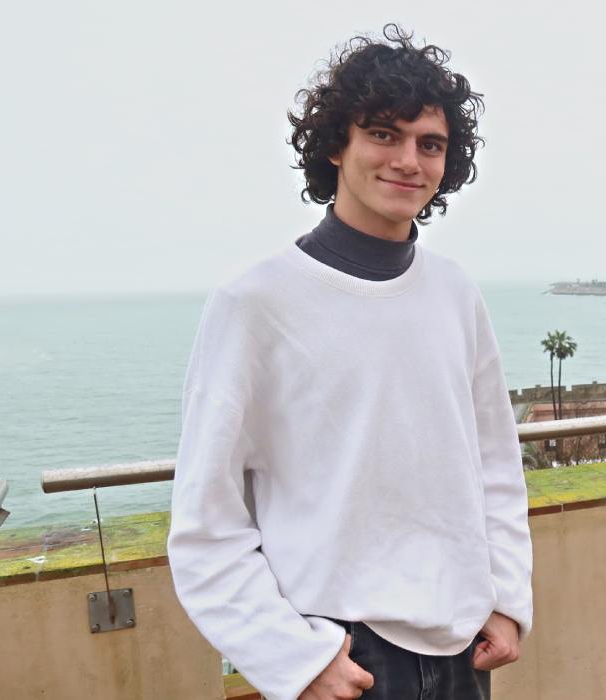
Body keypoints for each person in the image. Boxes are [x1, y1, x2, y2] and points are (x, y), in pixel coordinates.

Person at [167, 24, 532, 700]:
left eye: (430, 144)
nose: (408, 161)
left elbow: (494, 465)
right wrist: (293, 658)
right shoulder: (255, 302)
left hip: (462, 649)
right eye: (384, 135)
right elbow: (205, 524)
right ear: (338, 144)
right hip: (339, 654)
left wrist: (507, 596)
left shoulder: (455, 292)